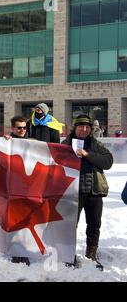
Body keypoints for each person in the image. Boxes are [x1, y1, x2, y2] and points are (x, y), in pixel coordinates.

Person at [62, 114, 113, 271]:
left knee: (94, 224)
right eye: (81, 126)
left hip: (94, 191)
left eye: (87, 127)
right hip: (73, 192)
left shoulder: (95, 144)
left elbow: (108, 161)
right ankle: (68, 254)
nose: (84, 129)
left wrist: (87, 154)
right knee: (70, 225)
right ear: (75, 128)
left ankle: (91, 252)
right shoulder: (65, 144)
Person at [3, 116, 31, 265]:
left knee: (25, 221)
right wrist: (3, 142)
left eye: (24, 128)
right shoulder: (6, 142)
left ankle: (24, 251)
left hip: (28, 188)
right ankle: (15, 252)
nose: (22, 130)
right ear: (13, 128)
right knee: (13, 221)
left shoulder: (32, 143)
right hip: (11, 188)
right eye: (19, 128)